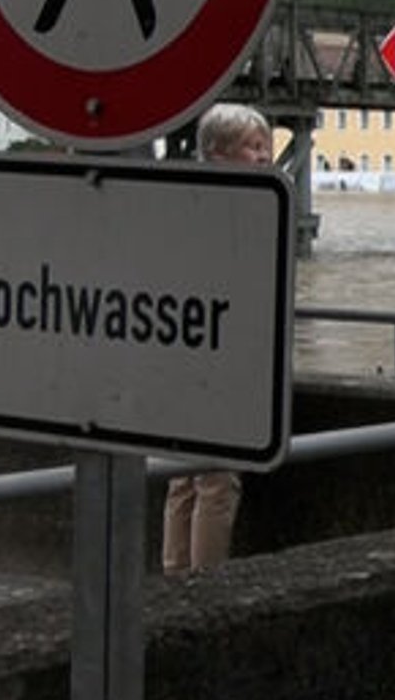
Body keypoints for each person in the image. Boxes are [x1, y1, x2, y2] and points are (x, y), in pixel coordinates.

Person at [161, 103, 273, 575]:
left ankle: (173, 579)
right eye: (253, 147)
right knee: (217, 480)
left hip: (178, 353)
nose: (265, 157)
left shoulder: (182, 200)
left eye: (265, 146)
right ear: (218, 153)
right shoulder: (237, 208)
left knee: (181, 477)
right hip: (216, 357)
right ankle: (205, 588)